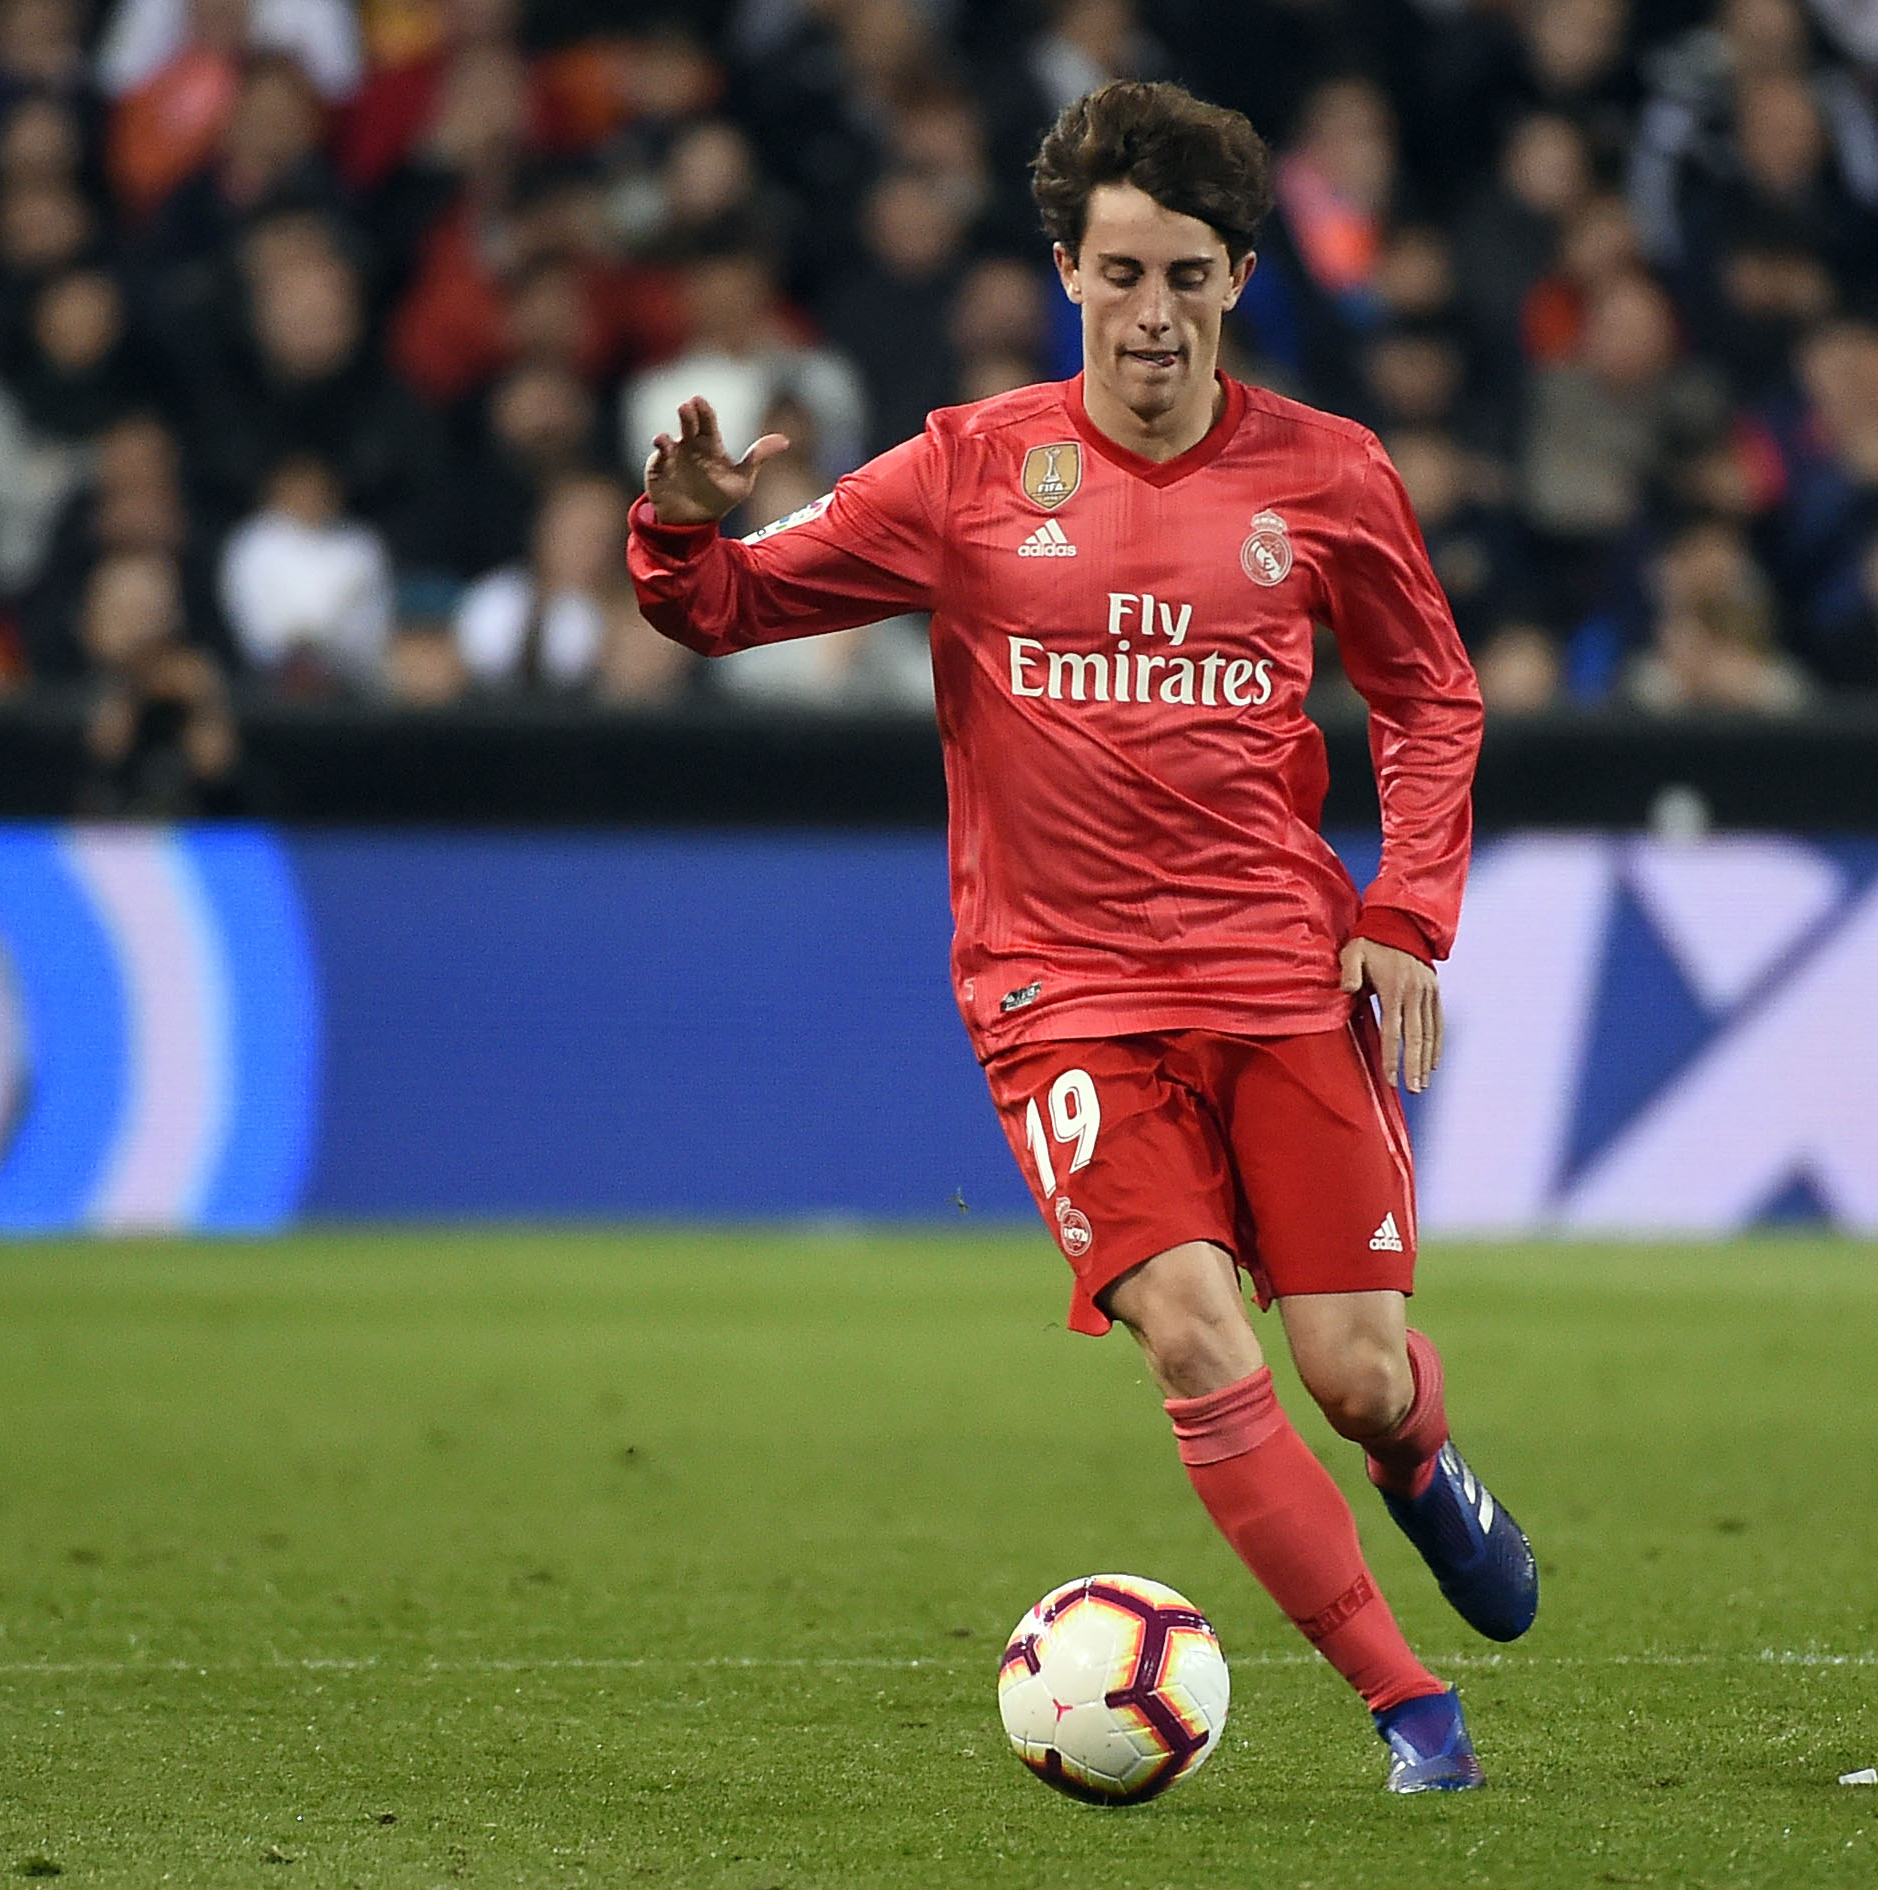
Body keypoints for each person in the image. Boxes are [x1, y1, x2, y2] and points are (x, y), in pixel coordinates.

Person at [626, 79, 1531, 1795]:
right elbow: (726, 606)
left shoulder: (1329, 477)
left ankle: (1423, 1463)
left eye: (1188, 277)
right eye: (1120, 274)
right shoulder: (971, 470)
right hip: (1062, 1000)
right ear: (1068, 270)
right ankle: (1416, 1712)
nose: (1153, 314)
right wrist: (679, 523)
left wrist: (1408, 911)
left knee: (1350, 1372)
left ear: (1238, 280)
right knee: (1195, 1332)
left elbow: (1431, 698)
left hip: (1280, 973)